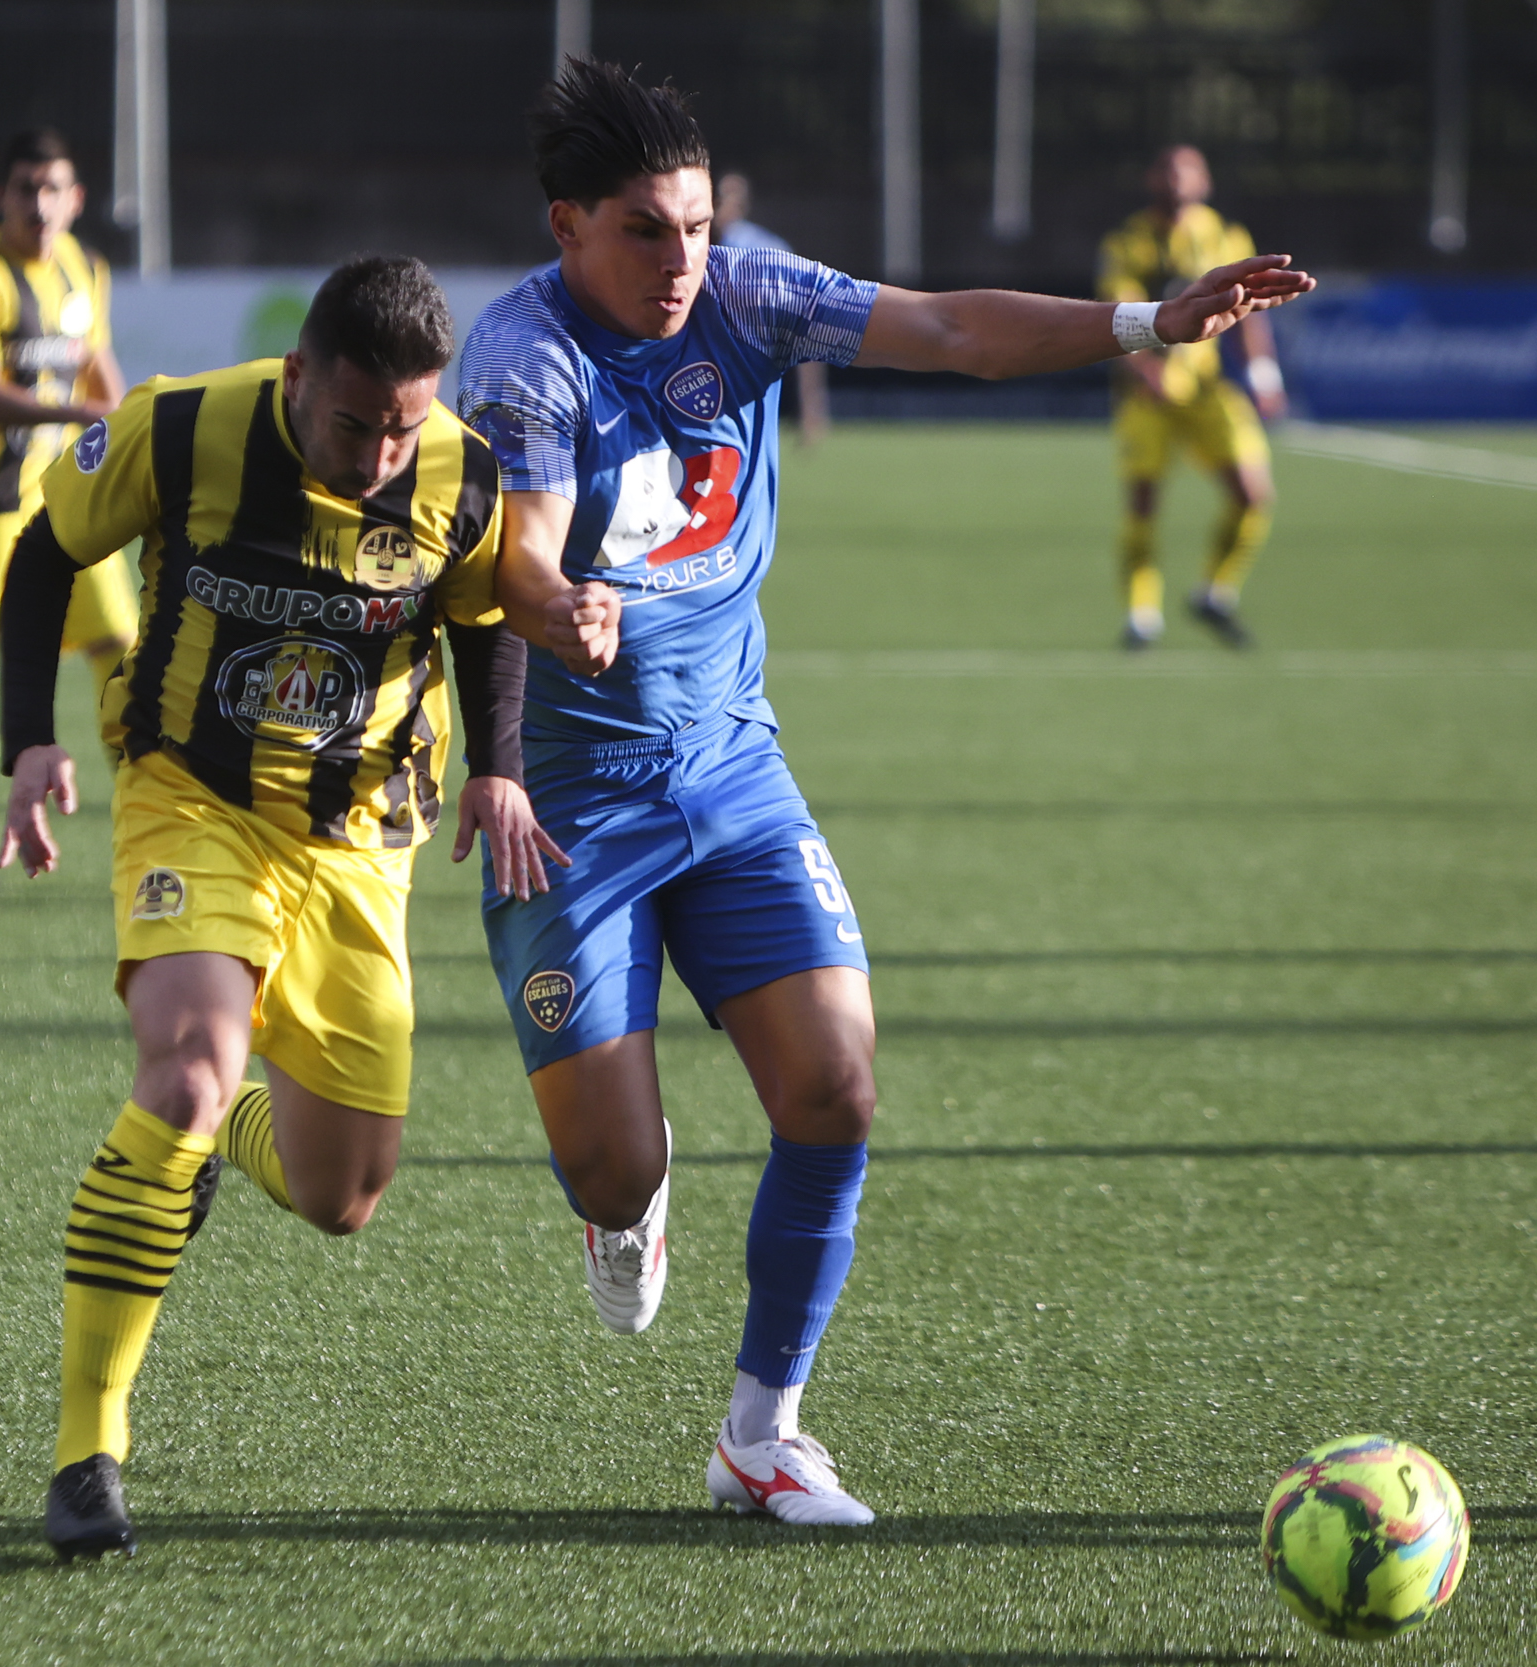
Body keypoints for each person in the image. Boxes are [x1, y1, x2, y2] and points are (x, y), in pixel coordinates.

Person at [456, 60, 1310, 1526]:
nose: (681, 260)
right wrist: (558, 607)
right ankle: (625, 1208)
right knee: (611, 1162)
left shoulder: (749, 295)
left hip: (733, 766)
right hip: (574, 805)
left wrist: (1146, 324)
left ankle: (763, 1431)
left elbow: (953, 329)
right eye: (647, 231)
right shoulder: (522, 356)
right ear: (568, 225)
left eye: (697, 226)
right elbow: (519, 552)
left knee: (838, 1085)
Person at [0, 256, 561, 1559]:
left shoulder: (461, 472)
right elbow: (44, 550)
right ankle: (88, 1450)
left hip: (362, 840)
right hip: (193, 797)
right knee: (186, 1069)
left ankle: (213, 1135)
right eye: (354, 423)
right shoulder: (181, 427)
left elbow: (483, 613)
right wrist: (28, 738)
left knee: (339, 1193)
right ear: (299, 375)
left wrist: (500, 766)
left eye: (402, 427)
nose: (377, 455)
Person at [0, 128, 139, 890]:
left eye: (53, 190)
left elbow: (99, 371)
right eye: (25, 189)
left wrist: (123, 423)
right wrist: (78, 413)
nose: (39, 205)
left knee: (121, 648)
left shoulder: (86, 269)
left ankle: (148, 822)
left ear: (76, 199)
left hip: (66, 502)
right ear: (1, 196)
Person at [1096, 143, 1289, 651]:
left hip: (1206, 391)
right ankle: (1141, 616)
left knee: (1253, 495)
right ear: (1151, 179)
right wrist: (1144, 371)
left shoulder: (1225, 236)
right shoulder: (1128, 241)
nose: (1176, 179)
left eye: (1187, 171)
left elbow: (1249, 313)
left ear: (1205, 181)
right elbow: (1116, 316)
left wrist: (1264, 376)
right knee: (1143, 503)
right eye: (1167, 170)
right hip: (1148, 397)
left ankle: (1214, 592)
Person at [713, 172, 830, 445]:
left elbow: (805, 324)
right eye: (717, 199)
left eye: (726, 201)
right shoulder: (691, 245)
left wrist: (811, 408)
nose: (720, 208)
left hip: (752, 368)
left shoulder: (765, 250)